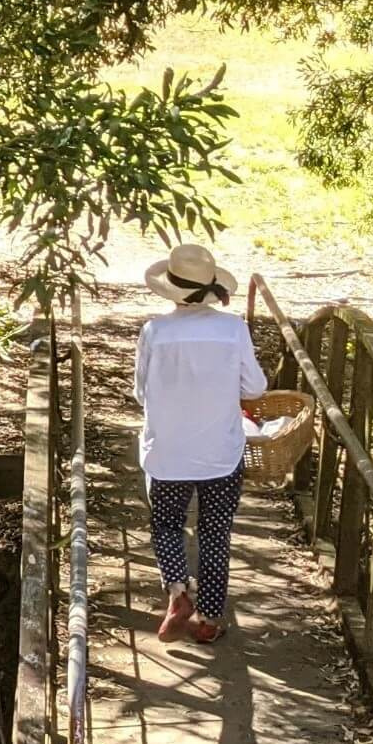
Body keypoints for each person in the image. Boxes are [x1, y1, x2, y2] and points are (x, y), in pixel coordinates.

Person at [132, 243, 267, 644]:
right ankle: (208, 619)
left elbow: (142, 393)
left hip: (167, 453)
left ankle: (177, 590)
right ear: (212, 287)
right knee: (215, 532)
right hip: (220, 453)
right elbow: (255, 387)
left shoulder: (154, 332)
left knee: (167, 525)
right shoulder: (233, 329)